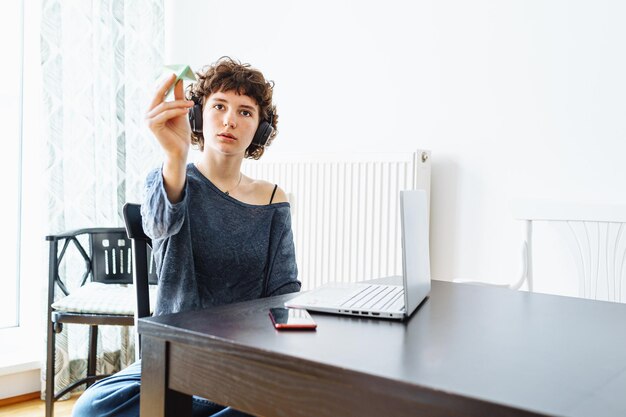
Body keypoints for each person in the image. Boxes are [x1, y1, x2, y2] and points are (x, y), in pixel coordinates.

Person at [72, 57, 301, 417]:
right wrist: (174, 156)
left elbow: (284, 291)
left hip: (243, 357)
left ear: (259, 129)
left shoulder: (274, 199)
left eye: (245, 112)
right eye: (219, 106)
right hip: (175, 356)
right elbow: (158, 226)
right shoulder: (170, 176)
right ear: (198, 116)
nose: (229, 120)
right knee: (90, 409)